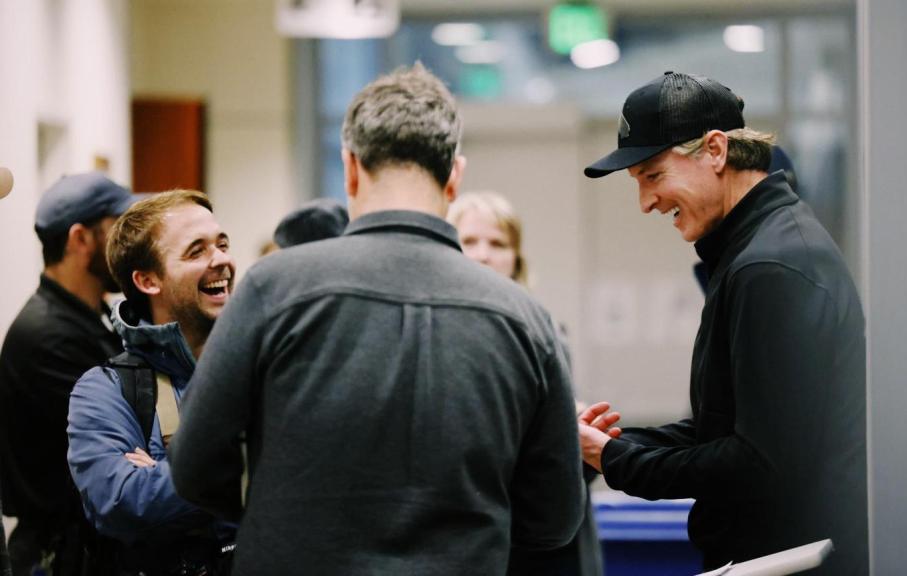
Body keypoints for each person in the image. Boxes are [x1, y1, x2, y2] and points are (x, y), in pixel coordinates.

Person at [169, 63, 584, 576]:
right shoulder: (526, 320)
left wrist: (275, 515)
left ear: (350, 167)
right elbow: (554, 517)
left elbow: (194, 467)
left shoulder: (271, 289)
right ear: (454, 176)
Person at [578, 72, 867, 574]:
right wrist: (619, 444)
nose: (646, 203)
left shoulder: (770, 266)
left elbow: (757, 462)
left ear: (715, 150)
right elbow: (728, 428)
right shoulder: (758, 249)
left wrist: (617, 461)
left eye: (652, 176)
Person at [66, 190, 236, 575]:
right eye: (197, 251)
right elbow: (124, 503)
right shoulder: (105, 390)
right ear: (147, 280)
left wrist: (164, 471)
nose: (221, 260)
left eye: (222, 244)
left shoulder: (266, 365)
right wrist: (253, 464)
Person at [448, 192, 603, 576]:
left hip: (541, 544)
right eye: (469, 241)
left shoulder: (544, 334)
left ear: (516, 258)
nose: (483, 255)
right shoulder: (434, 336)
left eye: (498, 243)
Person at [0, 172, 134, 576]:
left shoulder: (89, 315)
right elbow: (133, 432)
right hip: (61, 557)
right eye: (119, 230)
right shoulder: (47, 335)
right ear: (81, 239)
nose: (131, 245)